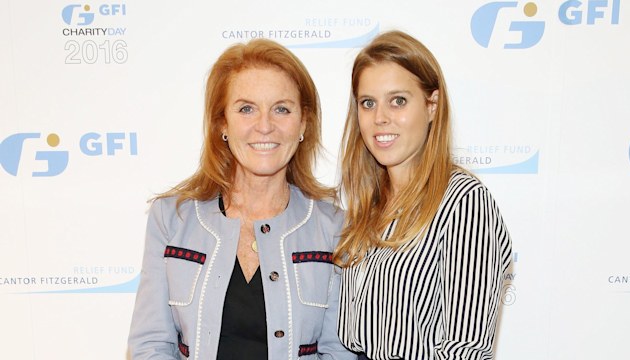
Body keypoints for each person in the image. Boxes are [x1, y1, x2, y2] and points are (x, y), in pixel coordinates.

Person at [128, 38, 356, 360]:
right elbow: (150, 346)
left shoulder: (335, 229)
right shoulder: (172, 219)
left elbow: (339, 352)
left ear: (304, 123)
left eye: (282, 109)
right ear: (222, 122)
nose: (264, 126)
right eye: (246, 109)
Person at [335, 30, 512, 360]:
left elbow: (466, 350)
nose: (380, 118)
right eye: (368, 103)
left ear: (432, 105)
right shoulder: (369, 203)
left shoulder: (463, 202)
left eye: (398, 101)